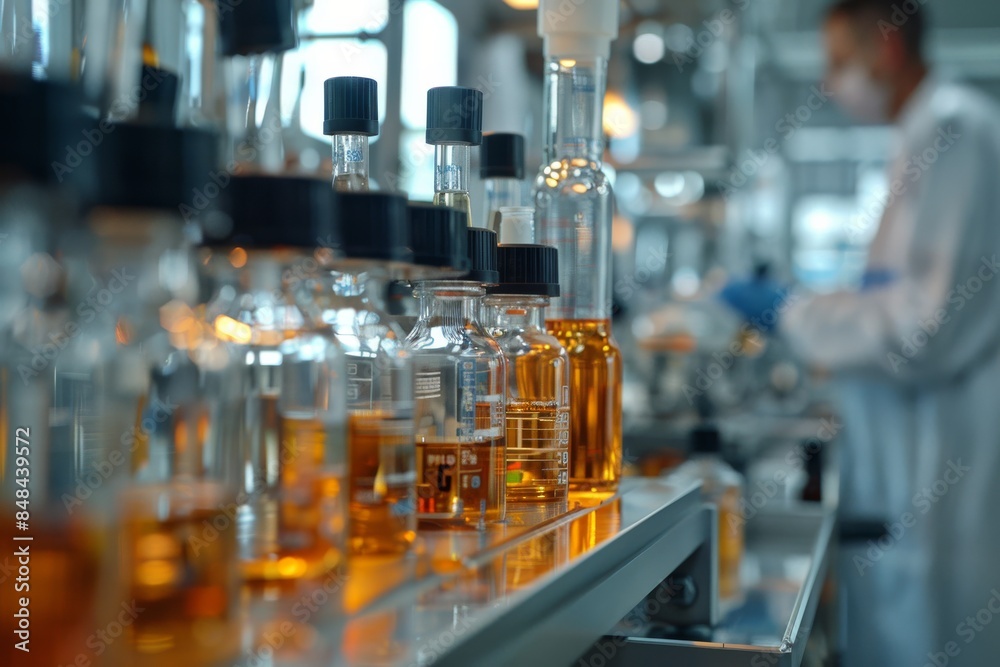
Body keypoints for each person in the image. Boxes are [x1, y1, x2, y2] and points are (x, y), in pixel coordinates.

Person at [722, 1, 1000, 665]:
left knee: (932, 621)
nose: (829, 82)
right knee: (905, 610)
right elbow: (892, 297)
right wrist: (808, 310)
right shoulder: (919, 135)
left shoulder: (956, 128)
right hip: (905, 442)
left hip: (939, 441)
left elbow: (920, 328)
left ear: (890, 46)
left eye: (841, 62)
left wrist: (791, 312)